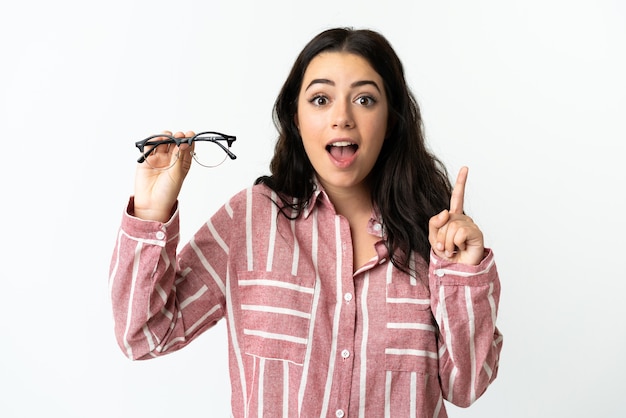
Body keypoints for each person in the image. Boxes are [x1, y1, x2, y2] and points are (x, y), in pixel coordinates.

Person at [109, 27, 503, 417]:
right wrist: (149, 212)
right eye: (320, 99)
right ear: (295, 118)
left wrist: (463, 275)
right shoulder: (248, 221)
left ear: (392, 120)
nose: (342, 118)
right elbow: (144, 335)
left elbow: (465, 388)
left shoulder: (433, 239)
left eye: (365, 99)